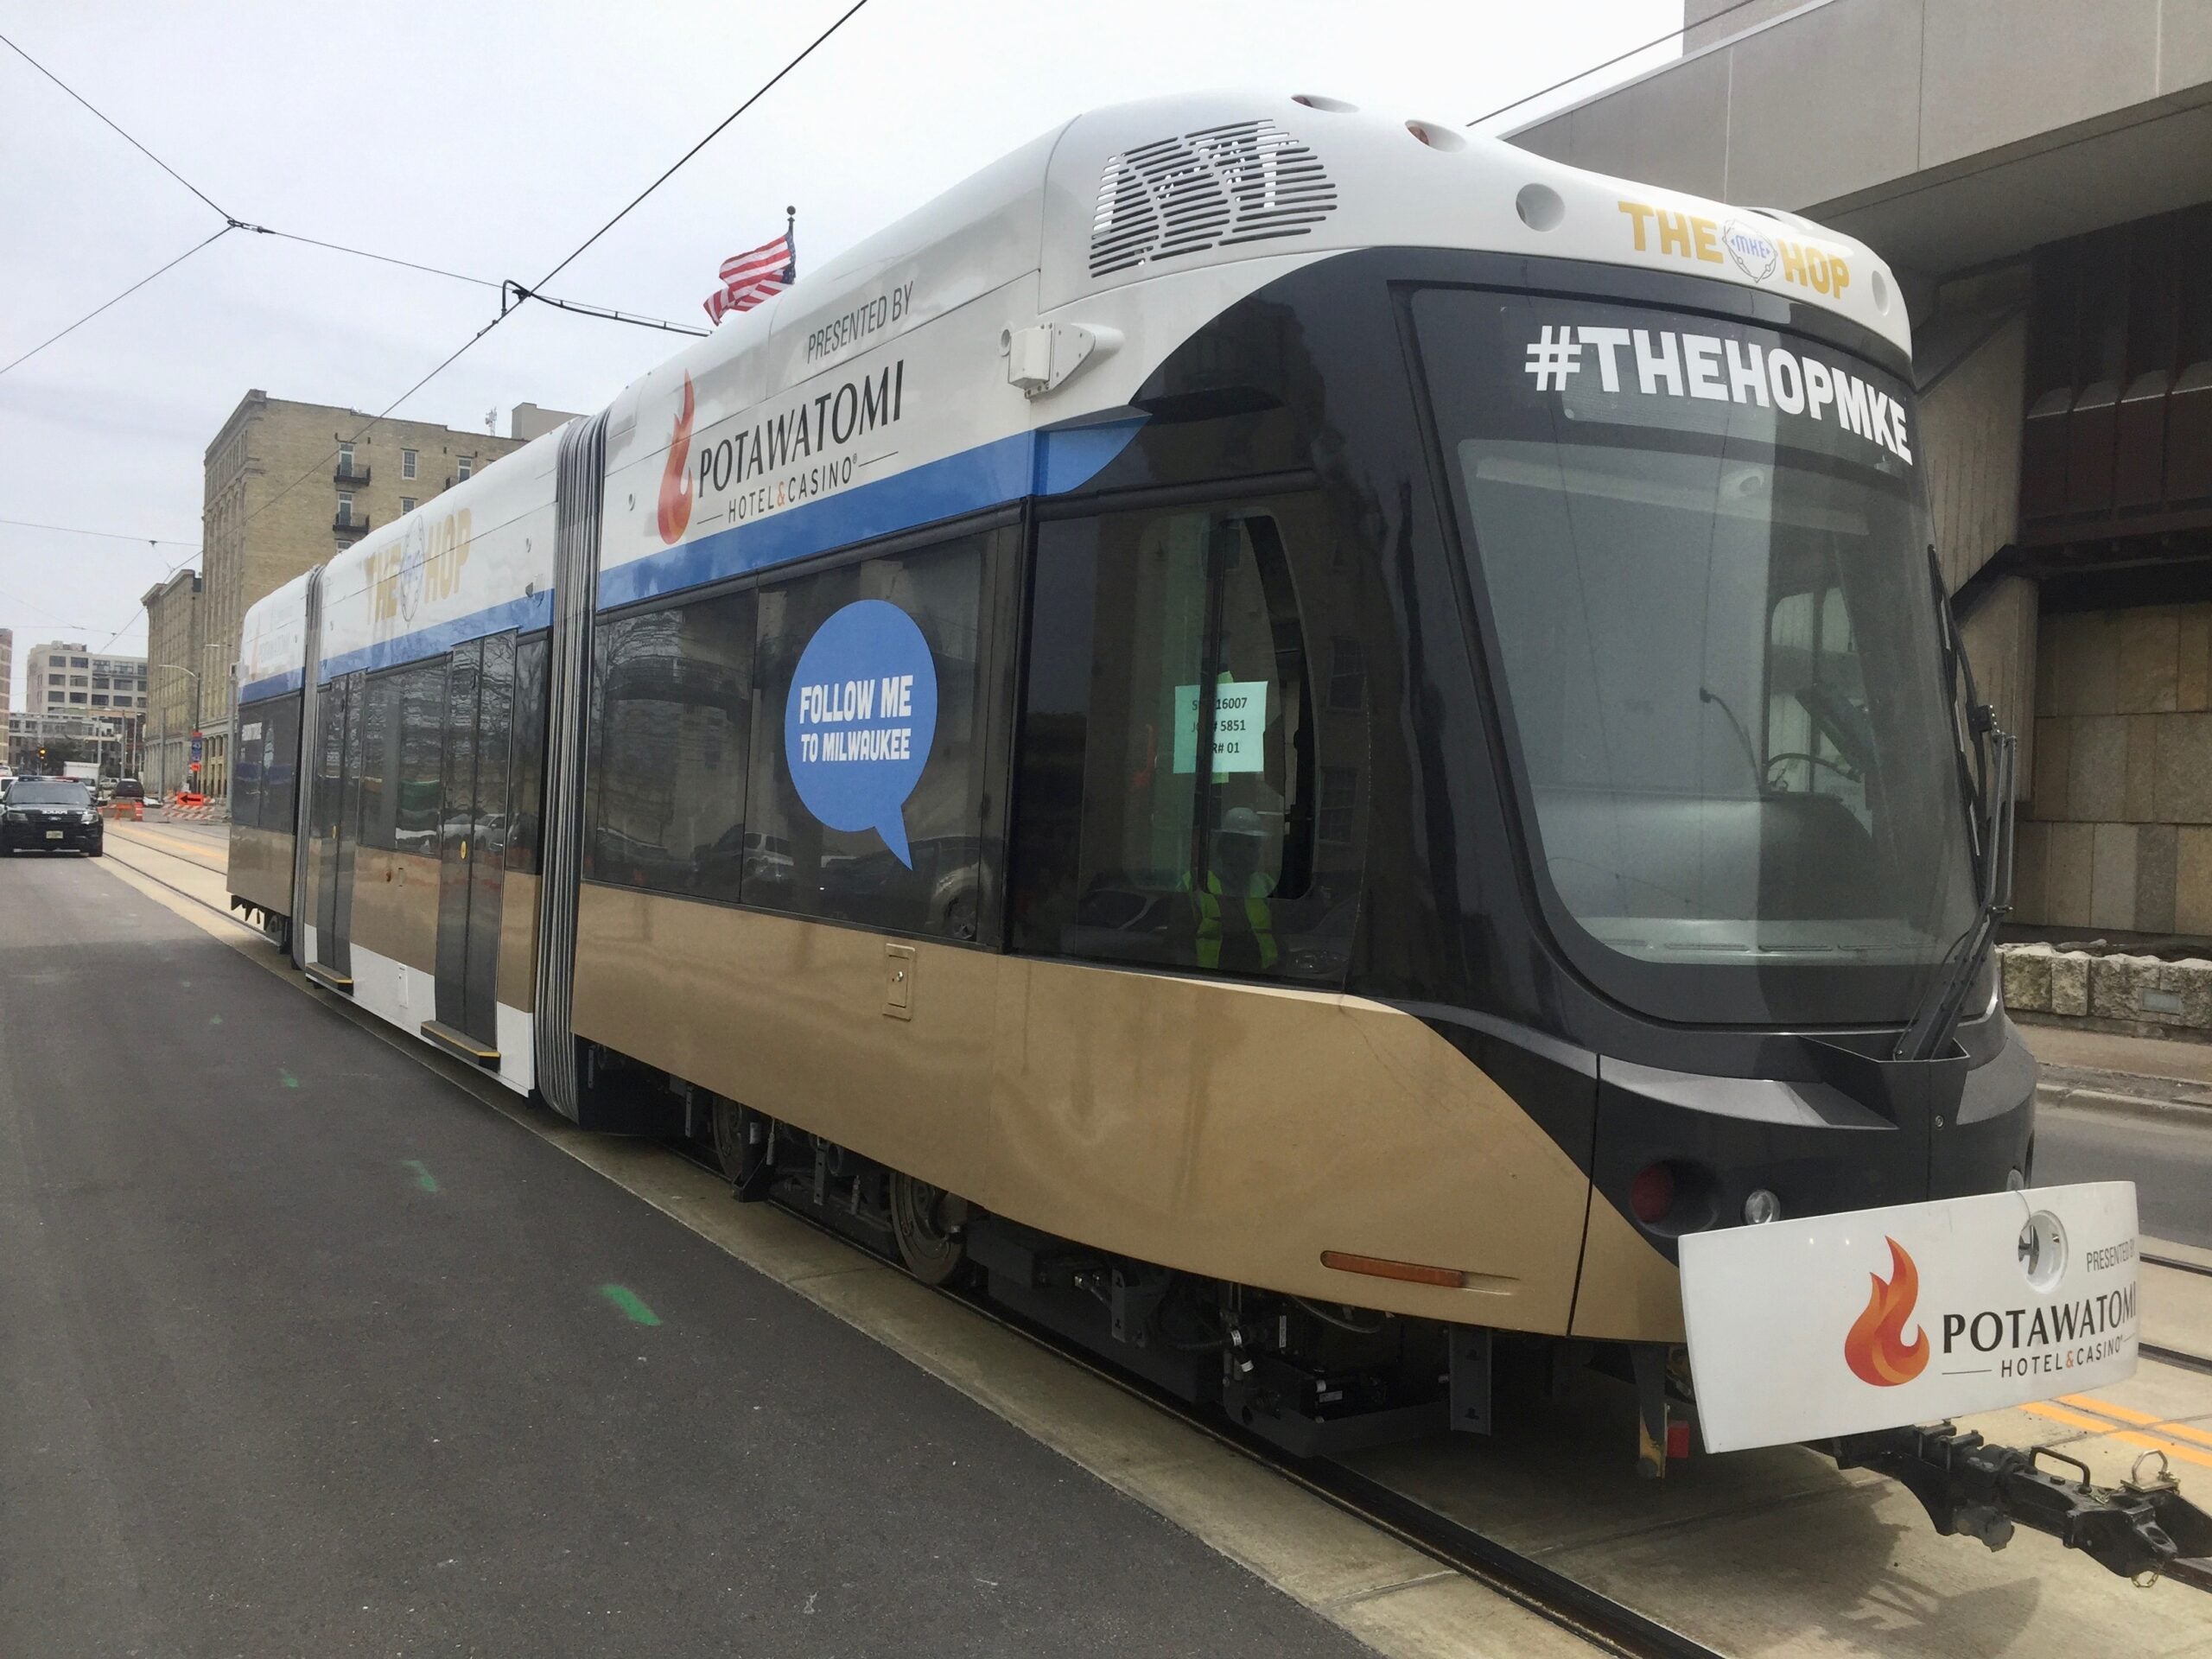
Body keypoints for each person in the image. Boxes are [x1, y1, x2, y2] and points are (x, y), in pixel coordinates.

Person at [1184, 805, 1278, 972]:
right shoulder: (1195, 882)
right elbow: (1177, 945)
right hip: (1210, 978)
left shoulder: (1266, 884)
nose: (1250, 853)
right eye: (1242, 844)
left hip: (1262, 976)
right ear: (1224, 846)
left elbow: (1280, 936)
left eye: (1253, 845)